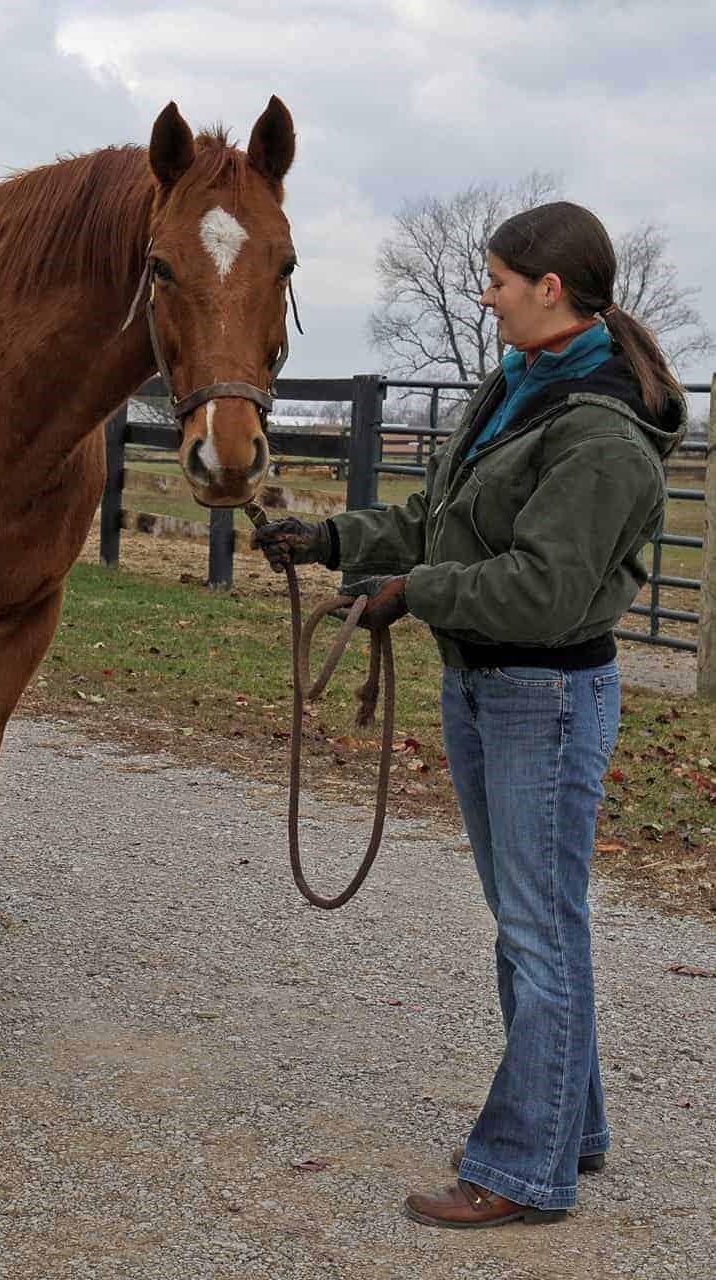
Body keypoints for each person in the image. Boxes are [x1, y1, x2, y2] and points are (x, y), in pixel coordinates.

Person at [253, 202, 685, 1228]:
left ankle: (524, 1168)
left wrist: (415, 593)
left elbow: (540, 586)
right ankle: (565, 1131)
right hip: (489, 686)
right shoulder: (517, 389)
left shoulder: (599, 430)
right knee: (535, 923)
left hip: (541, 691)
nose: (481, 294)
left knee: (536, 929)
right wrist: (329, 539)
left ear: (550, 288)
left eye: (494, 279)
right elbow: (434, 518)